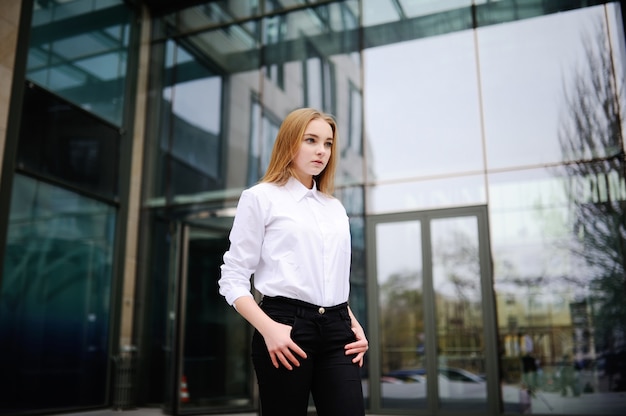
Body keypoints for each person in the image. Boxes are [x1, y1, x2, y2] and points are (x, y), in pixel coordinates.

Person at [218, 108, 368, 416]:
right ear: (289, 142)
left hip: (338, 328)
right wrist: (269, 330)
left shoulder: (335, 208)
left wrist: (353, 324)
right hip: (284, 325)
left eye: (327, 143)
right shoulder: (260, 198)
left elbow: (329, 276)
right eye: (311, 140)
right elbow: (232, 278)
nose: (321, 151)